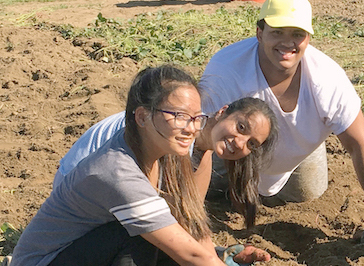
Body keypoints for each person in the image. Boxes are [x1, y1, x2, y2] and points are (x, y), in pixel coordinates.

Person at [2, 66, 315, 266]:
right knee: (141, 236)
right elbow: (189, 252)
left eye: (195, 118)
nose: (191, 128)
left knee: (161, 233)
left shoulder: (166, 155)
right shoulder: (118, 171)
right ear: (142, 116)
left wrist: (221, 260)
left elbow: (190, 227)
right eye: (178, 116)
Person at [198, 0, 364, 241]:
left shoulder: (327, 79)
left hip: (296, 151)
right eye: (277, 33)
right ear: (259, 33)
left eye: (297, 34)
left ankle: (273, 180)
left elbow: (359, 145)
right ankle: (229, 188)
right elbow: (199, 134)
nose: (287, 43)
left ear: (308, 39)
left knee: (308, 192)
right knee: (211, 188)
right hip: (230, 154)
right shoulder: (228, 67)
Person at [55, 97, 278, 230]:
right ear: (223, 111)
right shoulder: (177, 133)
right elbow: (154, 216)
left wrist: (220, 255)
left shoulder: (203, 153)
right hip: (75, 203)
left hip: (101, 199)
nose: (240, 143)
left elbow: (189, 222)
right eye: (241, 127)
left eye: (252, 144)